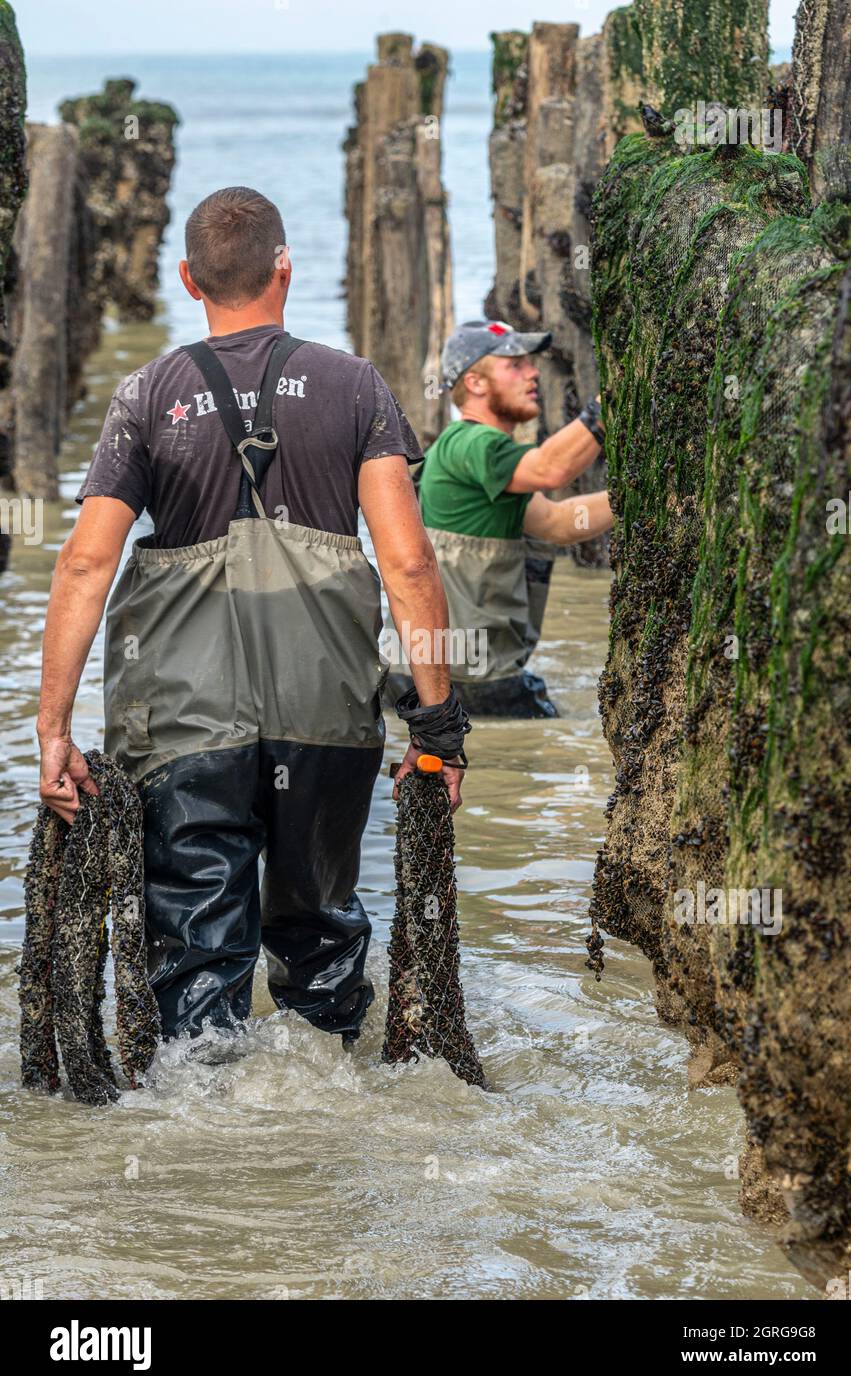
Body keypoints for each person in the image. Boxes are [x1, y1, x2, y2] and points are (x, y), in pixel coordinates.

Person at [35, 185, 469, 1048]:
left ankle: (208, 1144)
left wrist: (52, 728)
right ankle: (328, 1103)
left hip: (185, 723)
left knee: (196, 957)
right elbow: (410, 562)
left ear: (189, 279)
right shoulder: (355, 386)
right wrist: (438, 728)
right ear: (285, 268)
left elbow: (86, 562)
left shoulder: (146, 395)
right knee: (321, 933)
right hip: (326, 716)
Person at [386, 320, 613, 717]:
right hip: (467, 680)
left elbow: (559, 524)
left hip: (424, 676)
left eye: (531, 364)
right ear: (474, 382)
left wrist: (632, 495)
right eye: (515, 365)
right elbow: (550, 470)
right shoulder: (475, 443)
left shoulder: (466, 456)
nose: (533, 373)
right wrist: (610, 403)